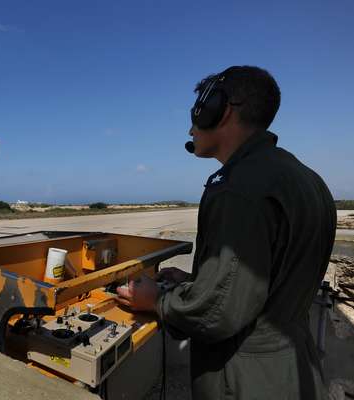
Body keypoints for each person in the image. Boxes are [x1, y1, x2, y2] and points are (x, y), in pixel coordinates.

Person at [117, 66, 336, 400]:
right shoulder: (306, 179)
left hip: (245, 376)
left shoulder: (237, 187)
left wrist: (157, 300)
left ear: (221, 110)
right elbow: (265, 281)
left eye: (196, 113)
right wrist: (198, 280)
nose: (191, 127)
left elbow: (218, 314)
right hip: (294, 366)